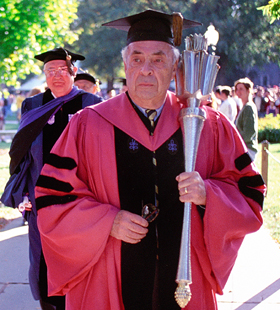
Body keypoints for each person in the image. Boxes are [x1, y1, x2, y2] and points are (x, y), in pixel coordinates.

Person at [35, 10, 265, 310]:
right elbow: (51, 200)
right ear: (125, 65)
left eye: (158, 59)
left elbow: (250, 194)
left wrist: (210, 194)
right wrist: (106, 222)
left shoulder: (209, 125)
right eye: (137, 59)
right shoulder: (87, 126)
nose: (146, 69)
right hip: (111, 275)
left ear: (174, 68)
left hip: (186, 279)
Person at [1, 47, 102, 310]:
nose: (56, 76)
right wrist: (23, 192)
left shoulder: (91, 105)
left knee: (75, 256)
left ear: (73, 72)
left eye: (62, 70)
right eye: (50, 71)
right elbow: (22, 154)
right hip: (40, 198)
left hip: (78, 199)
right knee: (42, 258)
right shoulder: (33, 105)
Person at [234, 77, 259, 161]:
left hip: (247, 151)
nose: (238, 92)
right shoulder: (245, 107)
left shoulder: (248, 107)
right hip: (244, 149)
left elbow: (248, 133)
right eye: (237, 89)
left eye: (241, 89)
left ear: (248, 90)